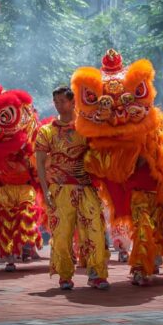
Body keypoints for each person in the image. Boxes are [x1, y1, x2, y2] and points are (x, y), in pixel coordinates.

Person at [36, 86, 110, 290]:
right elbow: (40, 164)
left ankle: (96, 273)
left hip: (85, 188)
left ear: (73, 102)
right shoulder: (46, 131)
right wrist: (45, 190)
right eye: (56, 101)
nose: (58, 105)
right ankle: (65, 275)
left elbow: (101, 152)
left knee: (95, 230)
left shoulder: (86, 128)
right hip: (59, 190)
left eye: (62, 101)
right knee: (61, 235)